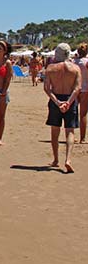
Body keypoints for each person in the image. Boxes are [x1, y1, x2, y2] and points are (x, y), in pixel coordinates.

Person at [44, 43, 82, 173]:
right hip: (70, 99)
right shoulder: (75, 68)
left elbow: (47, 89)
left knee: (55, 131)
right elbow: (77, 88)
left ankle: (56, 159)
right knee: (69, 131)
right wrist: (68, 102)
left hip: (56, 100)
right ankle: (68, 159)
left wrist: (58, 102)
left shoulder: (51, 68)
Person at [75, 43, 88, 143]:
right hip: (85, 88)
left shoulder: (73, 62)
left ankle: (70, 134)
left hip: (74, 89)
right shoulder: (86, 62)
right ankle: (82, 138)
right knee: (83, 114)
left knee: (72, 113)